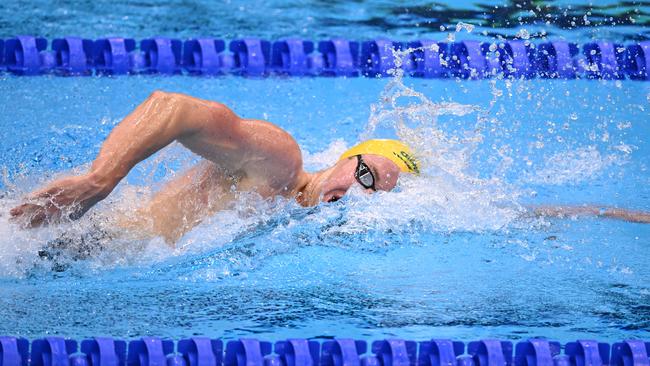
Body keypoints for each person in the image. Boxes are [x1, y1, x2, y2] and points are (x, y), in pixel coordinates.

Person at [9, 91, 650, 244]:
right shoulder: (279, 163)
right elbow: (172, 107)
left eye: (379, 193)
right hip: (67, 234)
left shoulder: (304, 222)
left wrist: (620, 212)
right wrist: (98, 181)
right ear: (345, 158)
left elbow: (500, 213)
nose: (358, 194)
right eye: (364, 175)